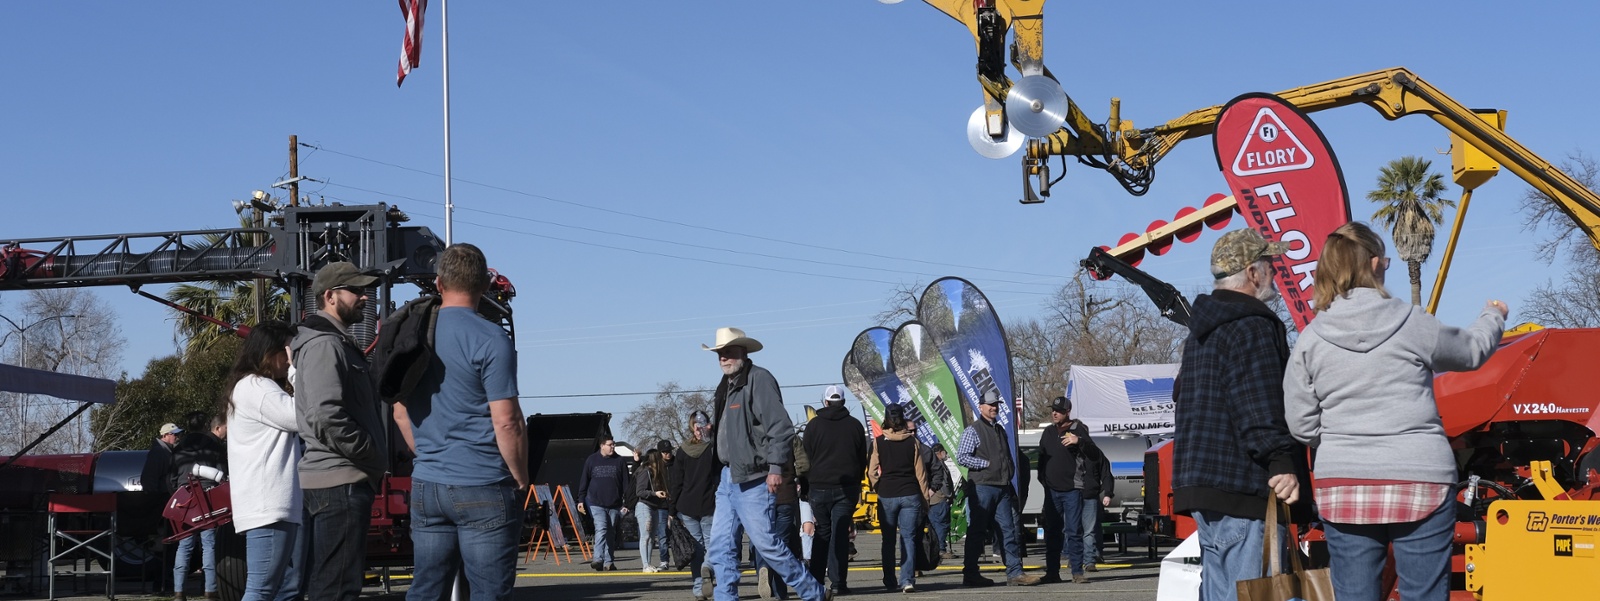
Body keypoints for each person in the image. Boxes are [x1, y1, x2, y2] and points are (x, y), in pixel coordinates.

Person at [1283, 222, 1505, 601]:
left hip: (1345, 483)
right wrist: (1493, 316)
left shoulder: (1311, 339)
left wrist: (1341, 438)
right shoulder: (1413, 323)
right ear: (1373, 264)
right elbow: (1470, 352)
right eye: (1385, 260)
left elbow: (1300, 423)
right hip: (1421, 476)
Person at [1172, 228, 1307, 601]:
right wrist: (1280, 459)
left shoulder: (1201, 331)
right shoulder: (1252, 324)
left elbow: (1182, 397)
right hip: (1243, 487)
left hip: (1203, 486)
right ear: (1252, 273)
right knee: (1257, 592)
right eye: (1271, 266)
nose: (1275, 275)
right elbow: (1258, 399)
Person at [391, 243, 529, 601]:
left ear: (438, 284)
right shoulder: (491, 338)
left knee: (426, 590)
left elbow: (399, 411)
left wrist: (430, 454)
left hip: (428, 483)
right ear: (484, 285)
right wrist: (519, 474)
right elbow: (507, 421)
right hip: (482, 480)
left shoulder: (415, 334)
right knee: (487, 592)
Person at [701, 327, 827, 601]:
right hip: (727, 477)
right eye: (720, 353)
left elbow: (781, 428)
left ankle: (813, 592)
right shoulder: (727, 385)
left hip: (755, 478)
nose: (723, 358)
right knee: (721, 547)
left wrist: (775, 468)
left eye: (729, 352)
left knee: (767, 545)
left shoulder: (759, 379)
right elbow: (741, 432)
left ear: (743, 352)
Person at [292, 261, 388, 601]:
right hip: (339, 484)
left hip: (336, 482)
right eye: (357, 291)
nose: (365, 298)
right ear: (330, 296)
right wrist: (369, 452)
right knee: (336, 590)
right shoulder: (325, 346)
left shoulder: (332, 342)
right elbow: (324, 413)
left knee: (327, 586)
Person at [223, 322, 305, 601]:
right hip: (268, 505)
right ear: (269, 352)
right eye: (287, 350)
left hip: (270, 505)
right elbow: (301, 417)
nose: (289, 357)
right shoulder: (256, 386)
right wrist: (297, 372)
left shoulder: (253, 386)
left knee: (275, 589)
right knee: (262, 589)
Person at [956, 390, 1039, 587]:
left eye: (996, 405)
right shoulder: (973, 430)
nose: (994, 408)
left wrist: (1007, 471)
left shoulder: (1000, 429)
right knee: (977, 531)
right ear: (981, 406)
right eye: (990, 405)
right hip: (983, 487)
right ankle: (971, 574)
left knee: (1008, 531)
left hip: (1002, 487)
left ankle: (1015, 573)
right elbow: (962, 457)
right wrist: (987, 464)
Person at [802, 385, 867, 595]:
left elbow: (805, 459)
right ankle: (839, 583)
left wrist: (805, 486)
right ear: (844, 402)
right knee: (840, 534)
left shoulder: (813, 427)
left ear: (826, 402)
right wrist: (856, 483)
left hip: (819, 487)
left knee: (823, 532)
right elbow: (861, 460)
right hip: (846, 488)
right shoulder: (855, 426)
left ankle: (816, 581)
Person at [867, 405, 930, 593]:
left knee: (888, 540)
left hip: (887, 494)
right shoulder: (913, 442)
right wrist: (925, 498)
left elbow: (871, 471)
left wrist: (878, 486)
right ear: (903, 420)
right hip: (910, 493)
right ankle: (907, 580)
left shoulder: (878, 442)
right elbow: (921, 474)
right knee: (908, 538)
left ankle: (889, 580)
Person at [1037, 395, 1095, 584]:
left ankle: (1077, 572)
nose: (1054, 413)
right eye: (1052, 410)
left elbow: (1094, 454)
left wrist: (1079, 441)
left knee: (1073, 531)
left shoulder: (1077, 430)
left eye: (1059, 411)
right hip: (1051, 490)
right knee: (1052, 531)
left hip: (1072, 489)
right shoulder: (1048, 432)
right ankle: (1052, 572)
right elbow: (1041, 458)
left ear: (1067, 412)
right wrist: (1043, 479)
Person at [170, 411, 227, 601]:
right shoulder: (213, 445)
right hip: (208, 496)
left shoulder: (179, 447)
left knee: (184, 544)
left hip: (184, 496)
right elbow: (222, 472)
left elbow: (171, 476)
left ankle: (179, 591)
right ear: (205, 426)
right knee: (209, 545)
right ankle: (210, 590)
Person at [671, 411, 719, 601]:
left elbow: (676, 482)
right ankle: (709, 571)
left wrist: (672, 509)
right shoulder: (714, 449)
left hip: (687, 505)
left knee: (696, 549)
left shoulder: (682, 451)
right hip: (709, 504)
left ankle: (699, 588)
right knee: (712, 546)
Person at [577, 437, 630, 571]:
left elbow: (626, 484)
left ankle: (609, 561)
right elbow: (584, 480)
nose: (613, 447)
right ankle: (598, 559)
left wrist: (627, 502)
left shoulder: (620, 461)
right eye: (610, 445)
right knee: (601, 528)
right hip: (596, 502)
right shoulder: (592, 460)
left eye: (614, 445)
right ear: (602, 446)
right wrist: (581, 500)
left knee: (611, 531)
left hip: (615, 503)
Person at [141, 422, 182, 593]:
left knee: (166, 546)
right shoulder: (159, 453)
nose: (177, 437)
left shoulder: (164, 452)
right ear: (165, 435)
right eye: (174, 434)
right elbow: (148, 480)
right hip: (161, 506)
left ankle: (164, 582)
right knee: (164, 546)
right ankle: (162, 582)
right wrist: (158, 501)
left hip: (164, 505)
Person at [1077, 428, 1114, 574]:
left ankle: (1090, 560)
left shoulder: (1095, 453)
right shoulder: (1069, 451)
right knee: (1073, 530)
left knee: (1089, 530)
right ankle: (1077, 558)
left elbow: (1106, 474)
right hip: (1071, 495)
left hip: (1090, 495)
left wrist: (1108, 493)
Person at [634, 448, 671, 573]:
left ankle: (648, 563)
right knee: (646, 536)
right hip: (644, 506)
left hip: (654, 507)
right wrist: (655, 493)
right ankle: (645, 565)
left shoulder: (656, 473)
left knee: (651, 537)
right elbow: (639, 491)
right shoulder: (645, 471)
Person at [926, 444, 955, 560]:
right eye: (943, 451)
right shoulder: (937, 466)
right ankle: (941, 549)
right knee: (941, 525)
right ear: (938, 453)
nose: (945, 454)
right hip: (939, 499)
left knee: (936, 525)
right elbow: (943, 484)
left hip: (935, 500)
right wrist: (948, 495)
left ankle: (937, 549)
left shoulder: (934, 465)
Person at [653, 439, 675, 570]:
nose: (668, 454)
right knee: (662, 534)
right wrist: (636, 461)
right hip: (661, 505)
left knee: (679, 533)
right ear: (660, 453)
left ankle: (682, 556)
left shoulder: (677, 463)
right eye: (665, 452)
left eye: (669, 451)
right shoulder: (656, 466)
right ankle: (664, 560)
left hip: (677, 503)